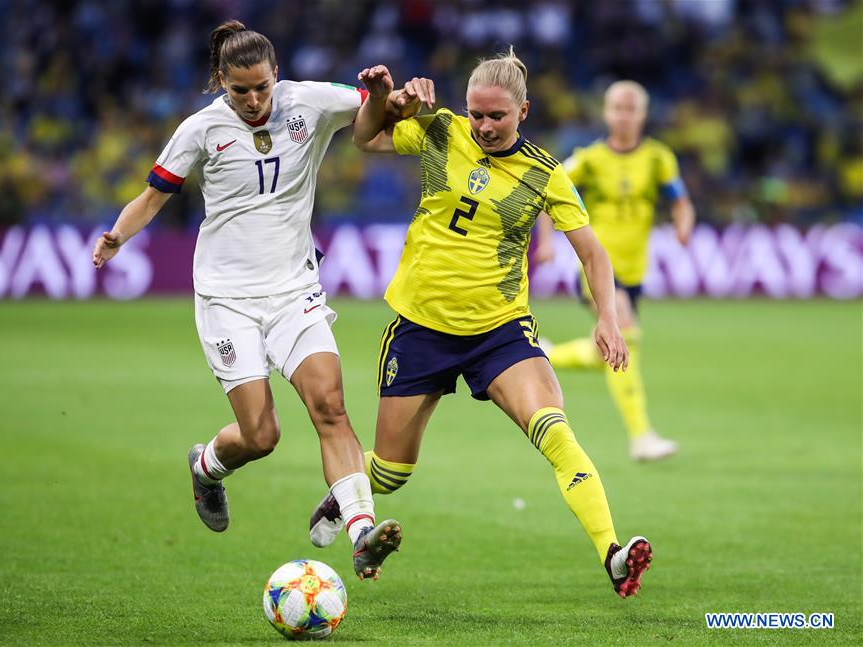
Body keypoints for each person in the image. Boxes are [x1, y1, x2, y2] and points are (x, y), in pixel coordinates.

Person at [309, 49, 653, 598]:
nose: (485, 127)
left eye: (498, 116)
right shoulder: (441, 131)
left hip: (500, 331)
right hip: (421, 328)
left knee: (554, 430)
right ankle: (344, 495)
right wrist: (380, 98)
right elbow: (365, 138)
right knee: (394, 471)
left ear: (524, 111)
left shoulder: (545, 173)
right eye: (477, 114)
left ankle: (612, 554)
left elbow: (594, 254)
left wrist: (607, 318)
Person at [92, 20, 414, 580]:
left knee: (330, 407)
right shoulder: (200, 129)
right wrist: (118, 235)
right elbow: (153, 196)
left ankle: (363, 532)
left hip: (294, 291)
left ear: (276, 74)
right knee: (262, 436)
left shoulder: (308, 102)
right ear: (220, 81)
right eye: (239, 90)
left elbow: (372, 120)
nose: (254, 100)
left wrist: (389, 96)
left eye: (262, 86)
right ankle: (207, 466)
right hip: (226, 298)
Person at [535, 80, 696, 462]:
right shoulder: (589, 159)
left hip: (634, 273)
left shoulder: (658, 158)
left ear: (642, 114)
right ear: (606, 113)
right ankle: (641, 436)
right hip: (597, 268)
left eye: (631, 109)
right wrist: (544, 242)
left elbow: (680, 200)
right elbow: (546, 193)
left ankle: (547, 356)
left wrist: (683, 223)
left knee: (615, 349)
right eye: (617, 108)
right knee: (625, 331)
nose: (623, 116)